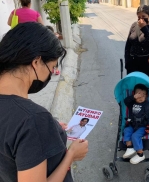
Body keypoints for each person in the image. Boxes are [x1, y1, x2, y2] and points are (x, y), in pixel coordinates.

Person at [0, 22, 88, 182]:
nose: (52, 74)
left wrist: (50, 128)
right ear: (36, 62)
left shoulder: (30, 118)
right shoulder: (33, 119)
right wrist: (71, 155)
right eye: (52, 67)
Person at [124, 5, 149, 84]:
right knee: (133, 88)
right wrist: (127, 62)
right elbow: (128, 45)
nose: (141, 19)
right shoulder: (134, 25)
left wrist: (144, 28)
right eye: (139, 17)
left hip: (148, 64)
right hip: (133, 63)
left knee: (146, 89)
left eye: (143, 16)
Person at [122, 84, 149, 164]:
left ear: (146, 96)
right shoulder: (131, 103)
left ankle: (140, 155)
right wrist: (133, 98)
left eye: (143, 95)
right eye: (138, 94)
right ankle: (129, 148)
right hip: (132, 124)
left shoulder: (146, 105)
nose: (140, 97)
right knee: (126, 130)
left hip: (142, 126)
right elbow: (125, 101)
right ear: (134, 94)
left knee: (135, 136)